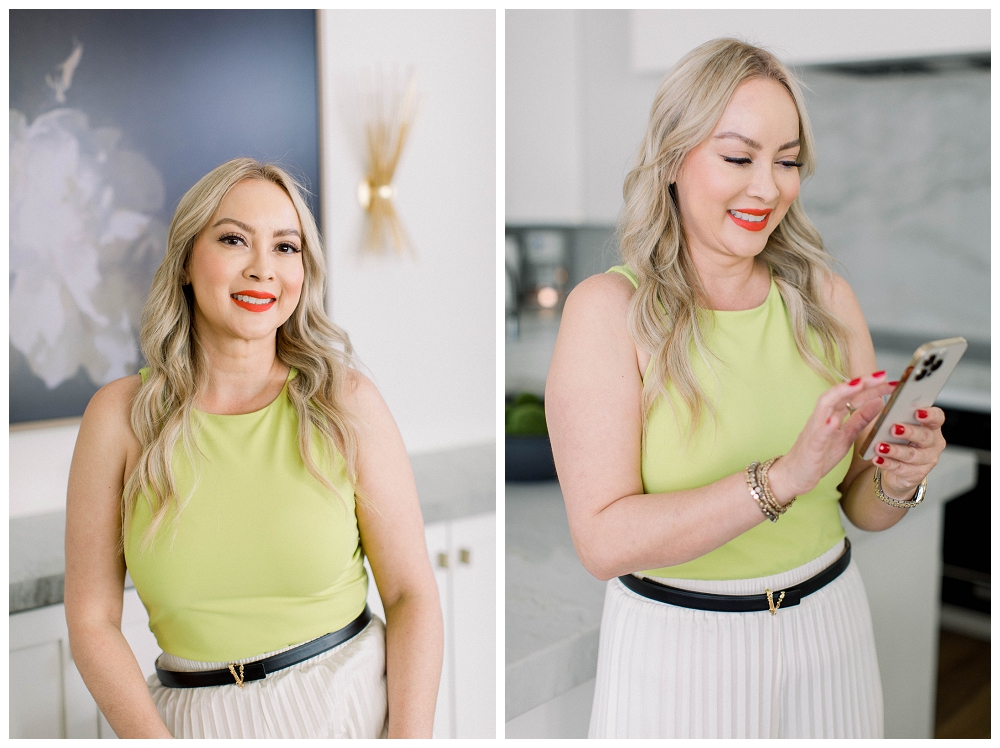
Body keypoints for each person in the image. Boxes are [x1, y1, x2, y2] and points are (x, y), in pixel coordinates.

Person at [546, 38, 947, 739]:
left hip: (831, 632)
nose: (769, 188)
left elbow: (858, 506)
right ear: (672, 159)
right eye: (739, 158)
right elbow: (603, 540)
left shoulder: (825, 297)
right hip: (677, 654)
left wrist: (897, 480)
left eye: (787, 162)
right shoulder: (606, 311)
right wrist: (783, 476)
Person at [65, 158, 443, 738]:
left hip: (346, 707)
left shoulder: (346, 403)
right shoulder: (118, 418)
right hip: (188, 722)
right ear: (188, 261)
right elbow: (91, 621)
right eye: (235, 239)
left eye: (286, 247)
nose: (263, 269)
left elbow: (410, 594)